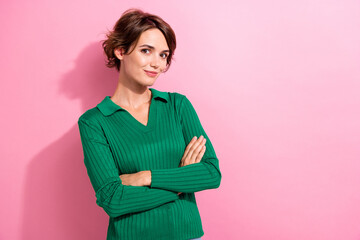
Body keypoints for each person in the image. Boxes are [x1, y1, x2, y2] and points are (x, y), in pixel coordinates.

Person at [78, 8, 221, 240]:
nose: (157, 64)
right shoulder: (95, 122)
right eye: (147, 51)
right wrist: (180, 181)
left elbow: (210, 173)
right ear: (120, 50)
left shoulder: (177, 106)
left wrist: (145, 177)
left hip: (187, 235)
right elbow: (113, 200)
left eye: (163, 55)